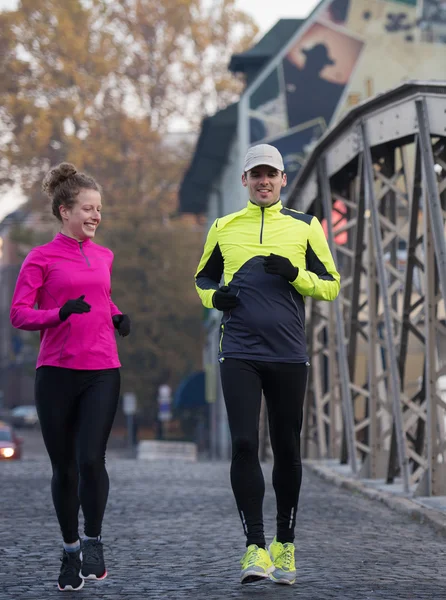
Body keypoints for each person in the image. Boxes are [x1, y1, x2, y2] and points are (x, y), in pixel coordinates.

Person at [194, 144, 340, 585]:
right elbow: (202, 278)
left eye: (270, 174)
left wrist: (295, 275)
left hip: (288, 353)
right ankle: (254, 549)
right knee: (243, 444)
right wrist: (215, 298)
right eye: (255, 174)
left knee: (287, 448)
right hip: (238, 350)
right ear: (244, 180)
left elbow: (331, 286)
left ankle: (285, 546)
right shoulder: (223, 227)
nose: (263, 181)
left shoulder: (305, 226)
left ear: (282, 179)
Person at [10, 162, 130, 592]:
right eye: (87, 209)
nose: (96, 216)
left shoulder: (104, 255)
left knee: (90, 459)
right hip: (57, 372)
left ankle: (94, 540)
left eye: (98, 209)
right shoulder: (39, 258)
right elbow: (19, 314)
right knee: (64, 468)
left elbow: (103, 298)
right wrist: (58, 314)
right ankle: (69, 549)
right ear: (64, 211)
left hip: (102, 367)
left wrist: (116, 316)